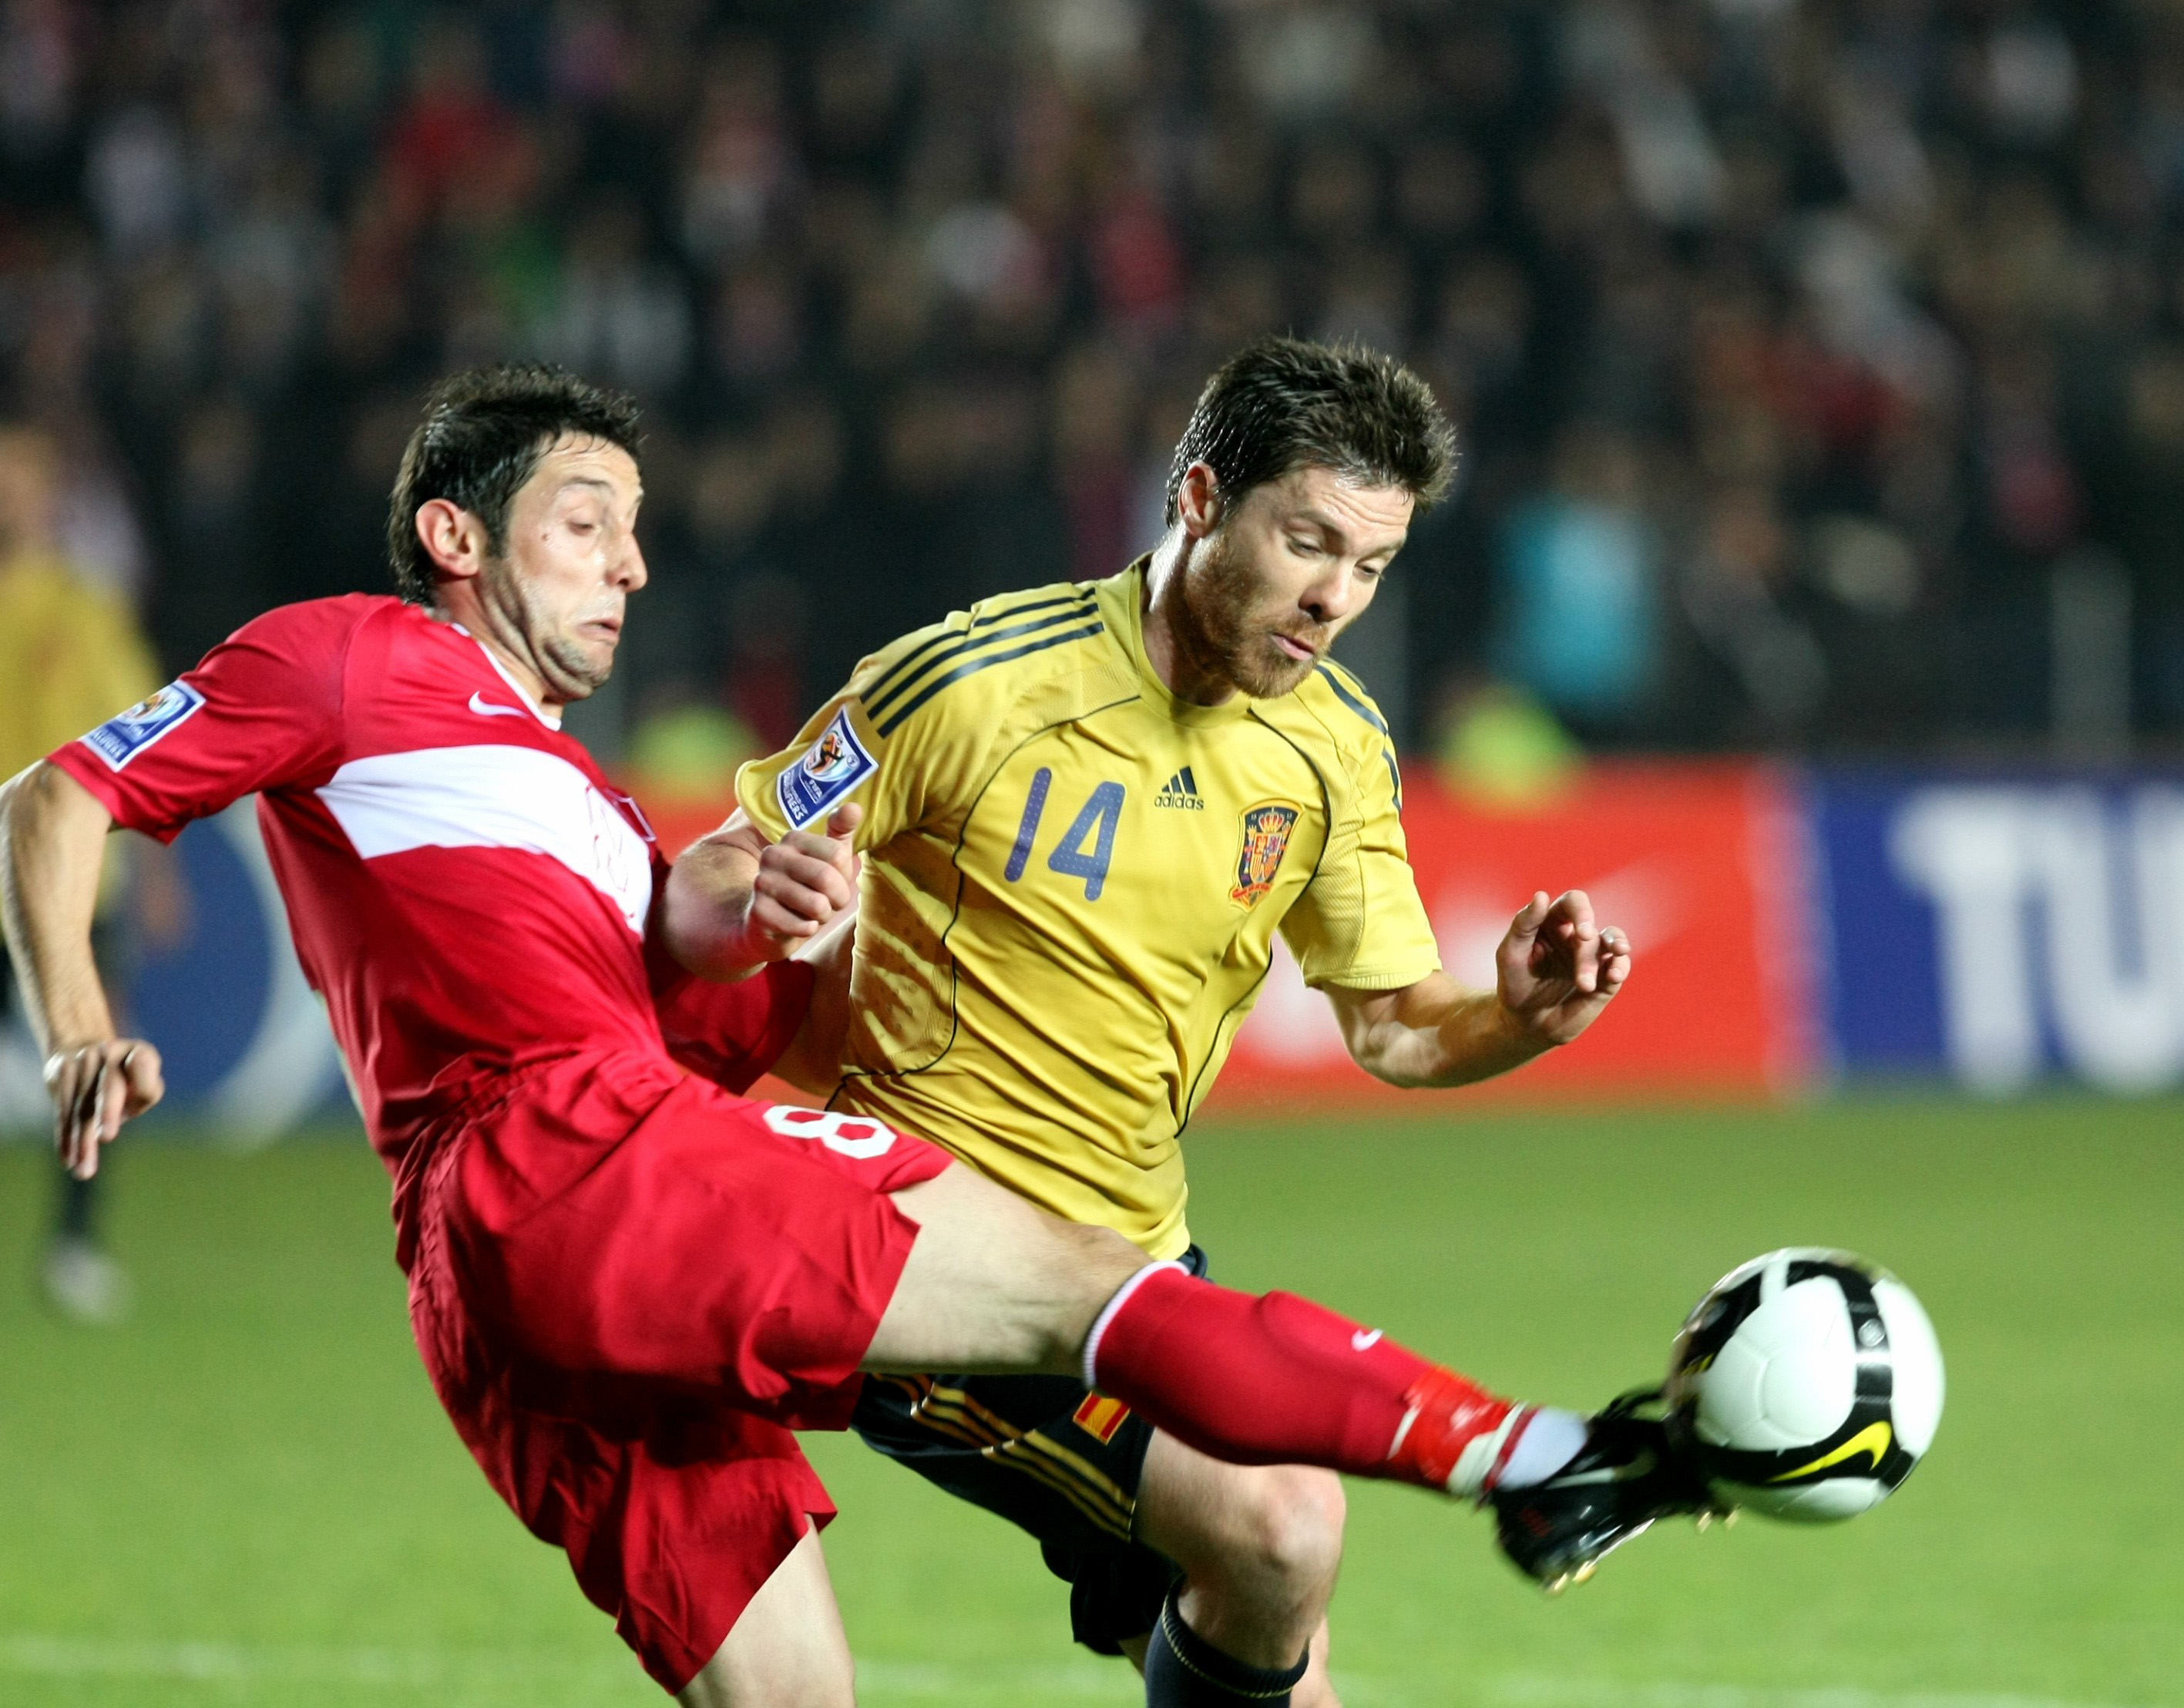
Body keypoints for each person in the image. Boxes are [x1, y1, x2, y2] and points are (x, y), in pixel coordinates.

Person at [0, 364, 1709, 1707]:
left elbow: (689, 942)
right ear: (457, 535)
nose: (631, 563)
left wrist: (749, 912)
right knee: (1231, 1455)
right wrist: (79, 1017)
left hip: (532, 1258)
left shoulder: (580, 804)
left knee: (815, 1693)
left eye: (637, 527)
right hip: (592, 1163)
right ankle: (1539, 1454)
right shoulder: (352, 658)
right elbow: (60, 794)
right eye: (589, 522)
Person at [674, 337, 1641, 1707]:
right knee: (1281, 1523)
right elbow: (721, 856)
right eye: (1307, 540)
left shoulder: (1332, 746)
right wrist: (758, 885)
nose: (1332, 598)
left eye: (1368, 565)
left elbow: (1393, 1030)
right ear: (1195, 498)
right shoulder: (967, 684)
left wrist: (1519, 1016)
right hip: (927, 1260)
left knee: (1267, 1620)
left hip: (1136, 1266)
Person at [0, 421, 163, 1323]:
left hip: (72, 878)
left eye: (19, 479)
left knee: (93, 1060)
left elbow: (134, 731)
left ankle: (74, 1244)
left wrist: (161, 869)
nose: (8, 496)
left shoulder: (85, 607)